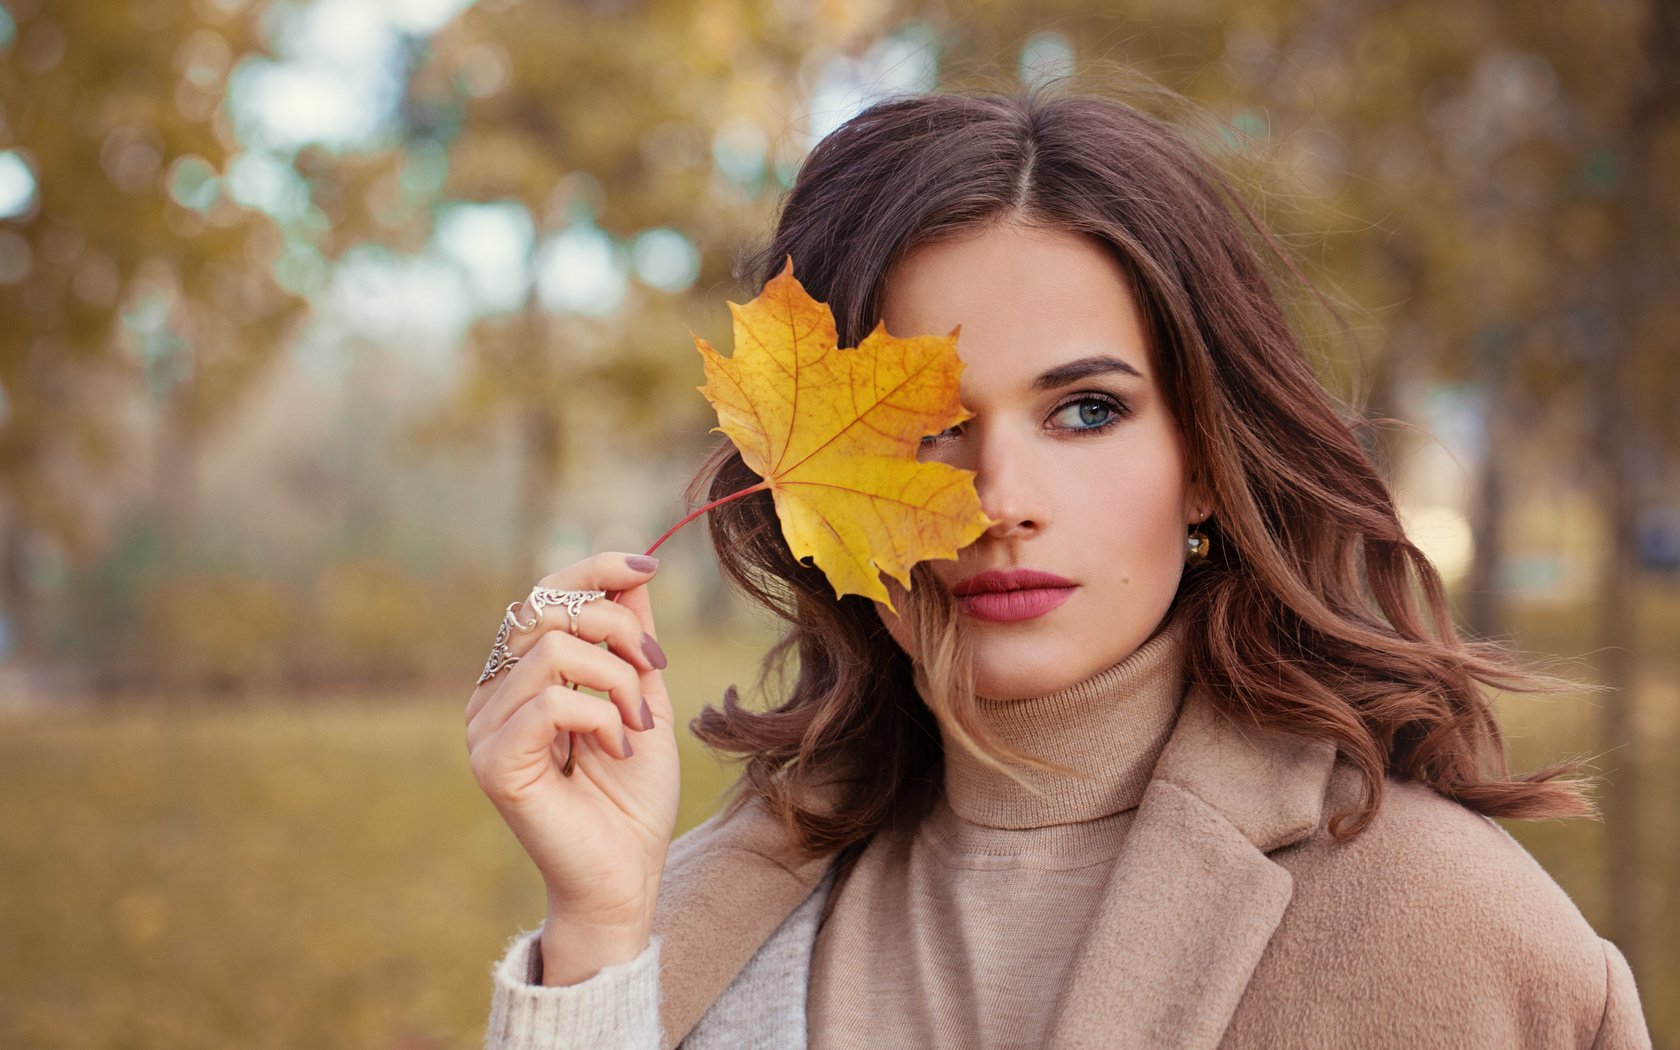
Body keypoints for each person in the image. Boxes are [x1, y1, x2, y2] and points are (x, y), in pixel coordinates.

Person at [463, 90, 1653, 1049]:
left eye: (1085, 412)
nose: (1000, 503)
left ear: (1202, 462)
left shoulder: (1463, 942)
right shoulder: (689, 917)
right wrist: (599, 941)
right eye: (930, 428)